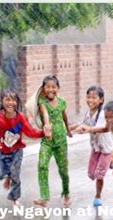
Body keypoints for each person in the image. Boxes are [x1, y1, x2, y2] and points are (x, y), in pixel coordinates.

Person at [0, 89, 45, 206]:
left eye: (13, 100)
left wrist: (44, 133)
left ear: (17, 102)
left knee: (15, 174)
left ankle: (15, 199)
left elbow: (31, 133)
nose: (10, 103)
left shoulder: (21, 118)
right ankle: (8, 175)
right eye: (7, 99)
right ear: (2, 101)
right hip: (1, 151)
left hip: (16, 151)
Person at [71, 86, 113, 206]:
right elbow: (83, 123)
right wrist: (70, 129)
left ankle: (98, 196)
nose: (90, 100)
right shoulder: (88, 113)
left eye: (94, 97)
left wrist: (88, 129)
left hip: (105, 149)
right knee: (91, 174)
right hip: (95, 147)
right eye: (88, 97)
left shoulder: (102, 114)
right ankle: (110, 162)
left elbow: (103, 128)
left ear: (101, 100)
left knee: (99, 174)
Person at [34, 75, 72, 207]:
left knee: (63, 168)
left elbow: (64, 116)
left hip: (61, 139)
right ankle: (44, 197)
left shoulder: (61, 102)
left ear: (58, 88)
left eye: (53, 87)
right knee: (42, 165)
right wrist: (47, 127)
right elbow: (44, 114)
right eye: (47, 87)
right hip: (47, 140)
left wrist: (68, 129)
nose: (51, 89)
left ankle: (66, 194)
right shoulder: (42, 102)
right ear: (43, 89)